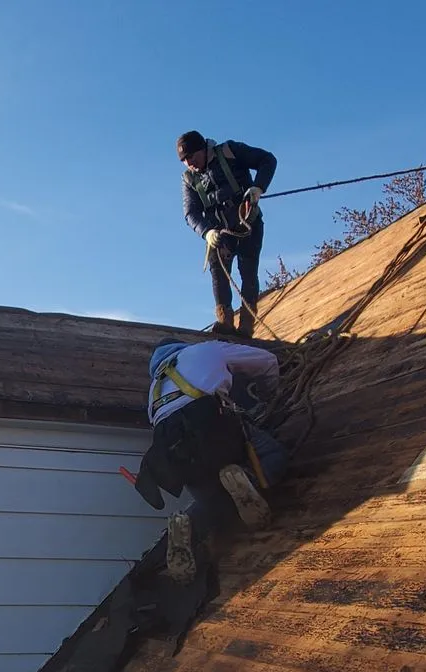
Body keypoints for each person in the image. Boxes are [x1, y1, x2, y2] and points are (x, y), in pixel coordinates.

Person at [133, 337, 288, 584]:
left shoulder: (154, 388)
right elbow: (267, 362)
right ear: (182, 346)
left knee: (212, 500)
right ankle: (247, 480)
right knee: (272, 455)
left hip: (171, 448)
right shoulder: (205, 350)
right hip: (209, 423)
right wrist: (271, 396)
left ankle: (188, 524)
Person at [177, 130, 277, 337]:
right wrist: (206, 232)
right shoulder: (189, 179)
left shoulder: (231, 151)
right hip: (219, 233)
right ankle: (225, 322)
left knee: (248, 273)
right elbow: (190, 213)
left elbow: (267, 159)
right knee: (219, 274)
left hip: (248, 225)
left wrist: (259, 187)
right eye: (185, 161)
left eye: (192, 158)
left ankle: (247, 325)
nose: (190, 164)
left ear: (203, 148)